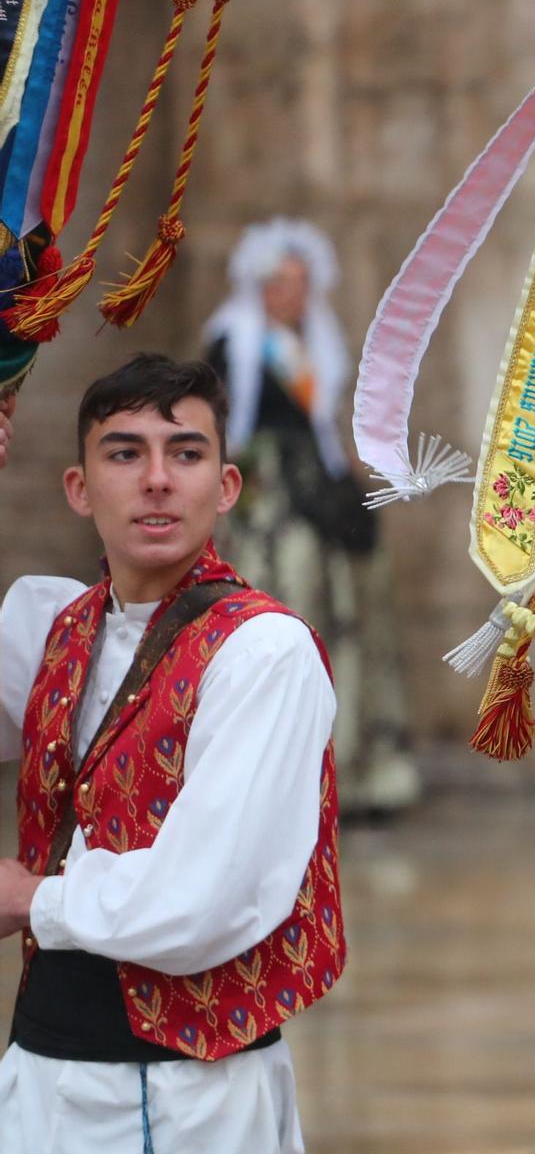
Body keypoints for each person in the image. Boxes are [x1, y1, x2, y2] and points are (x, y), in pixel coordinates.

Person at [0, 355, 346, 1154]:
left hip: (194, 1101)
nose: (156, 479)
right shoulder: (50, 629)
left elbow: (211, 893)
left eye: (184, 453)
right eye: (124, 453)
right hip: (42, 1076)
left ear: (226, 484)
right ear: (78, 487)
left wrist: (33, 898)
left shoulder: (265, 654)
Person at [205, 217, 419, 818]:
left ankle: (351, 767)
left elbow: (325, 429)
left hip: (318, 497)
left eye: (300, 282)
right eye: (281, 282)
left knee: (343, 611)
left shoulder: (311, 348)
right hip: (265, 501)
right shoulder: (233, 344)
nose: (292, 294)